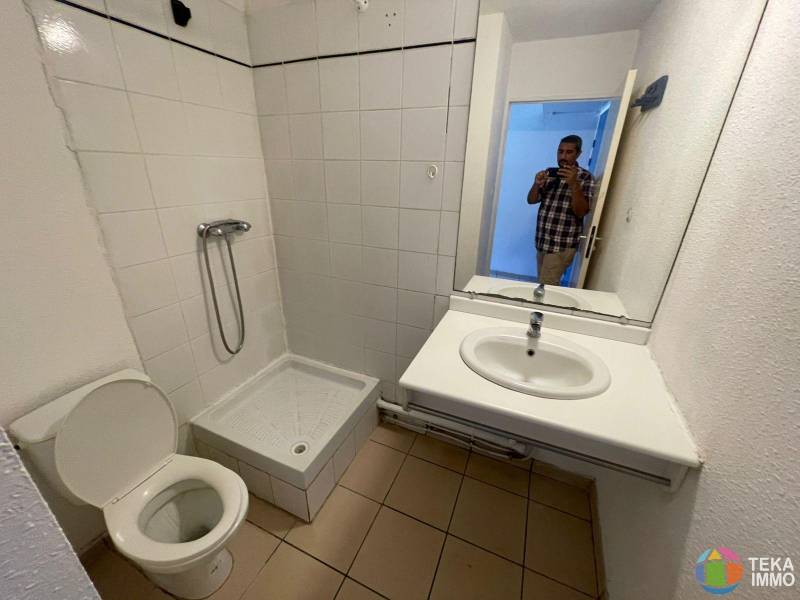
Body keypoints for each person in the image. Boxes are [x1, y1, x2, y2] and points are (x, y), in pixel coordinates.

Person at [527, 134, 596, 286]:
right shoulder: (550, 174)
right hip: (542, 241)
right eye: (560, 151)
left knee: (547, 286)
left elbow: (581, 212)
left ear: (578, 154)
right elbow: (531, 200)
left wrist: (574, 184)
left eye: (569, 152)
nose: (563, 156)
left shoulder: (585, 178)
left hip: (561, 244)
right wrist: (536, 183)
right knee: (543, 283)